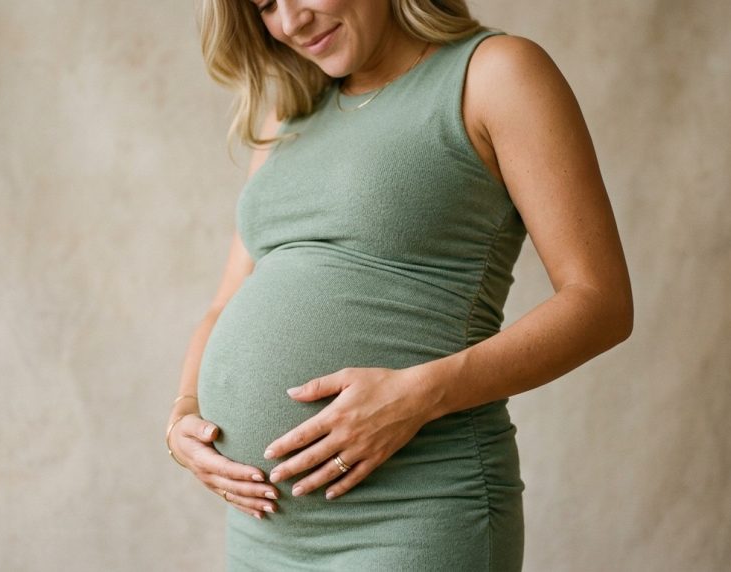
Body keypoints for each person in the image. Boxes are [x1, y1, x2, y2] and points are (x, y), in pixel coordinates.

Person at [166, 0, 633, 569]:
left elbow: (600, 302)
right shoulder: (286, 116)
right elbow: (225, 303)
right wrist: (184, 415)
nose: (291, 22)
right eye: (265, 5)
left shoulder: (495, 74)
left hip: (416, 512)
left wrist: (415, 395)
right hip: (264, 529)